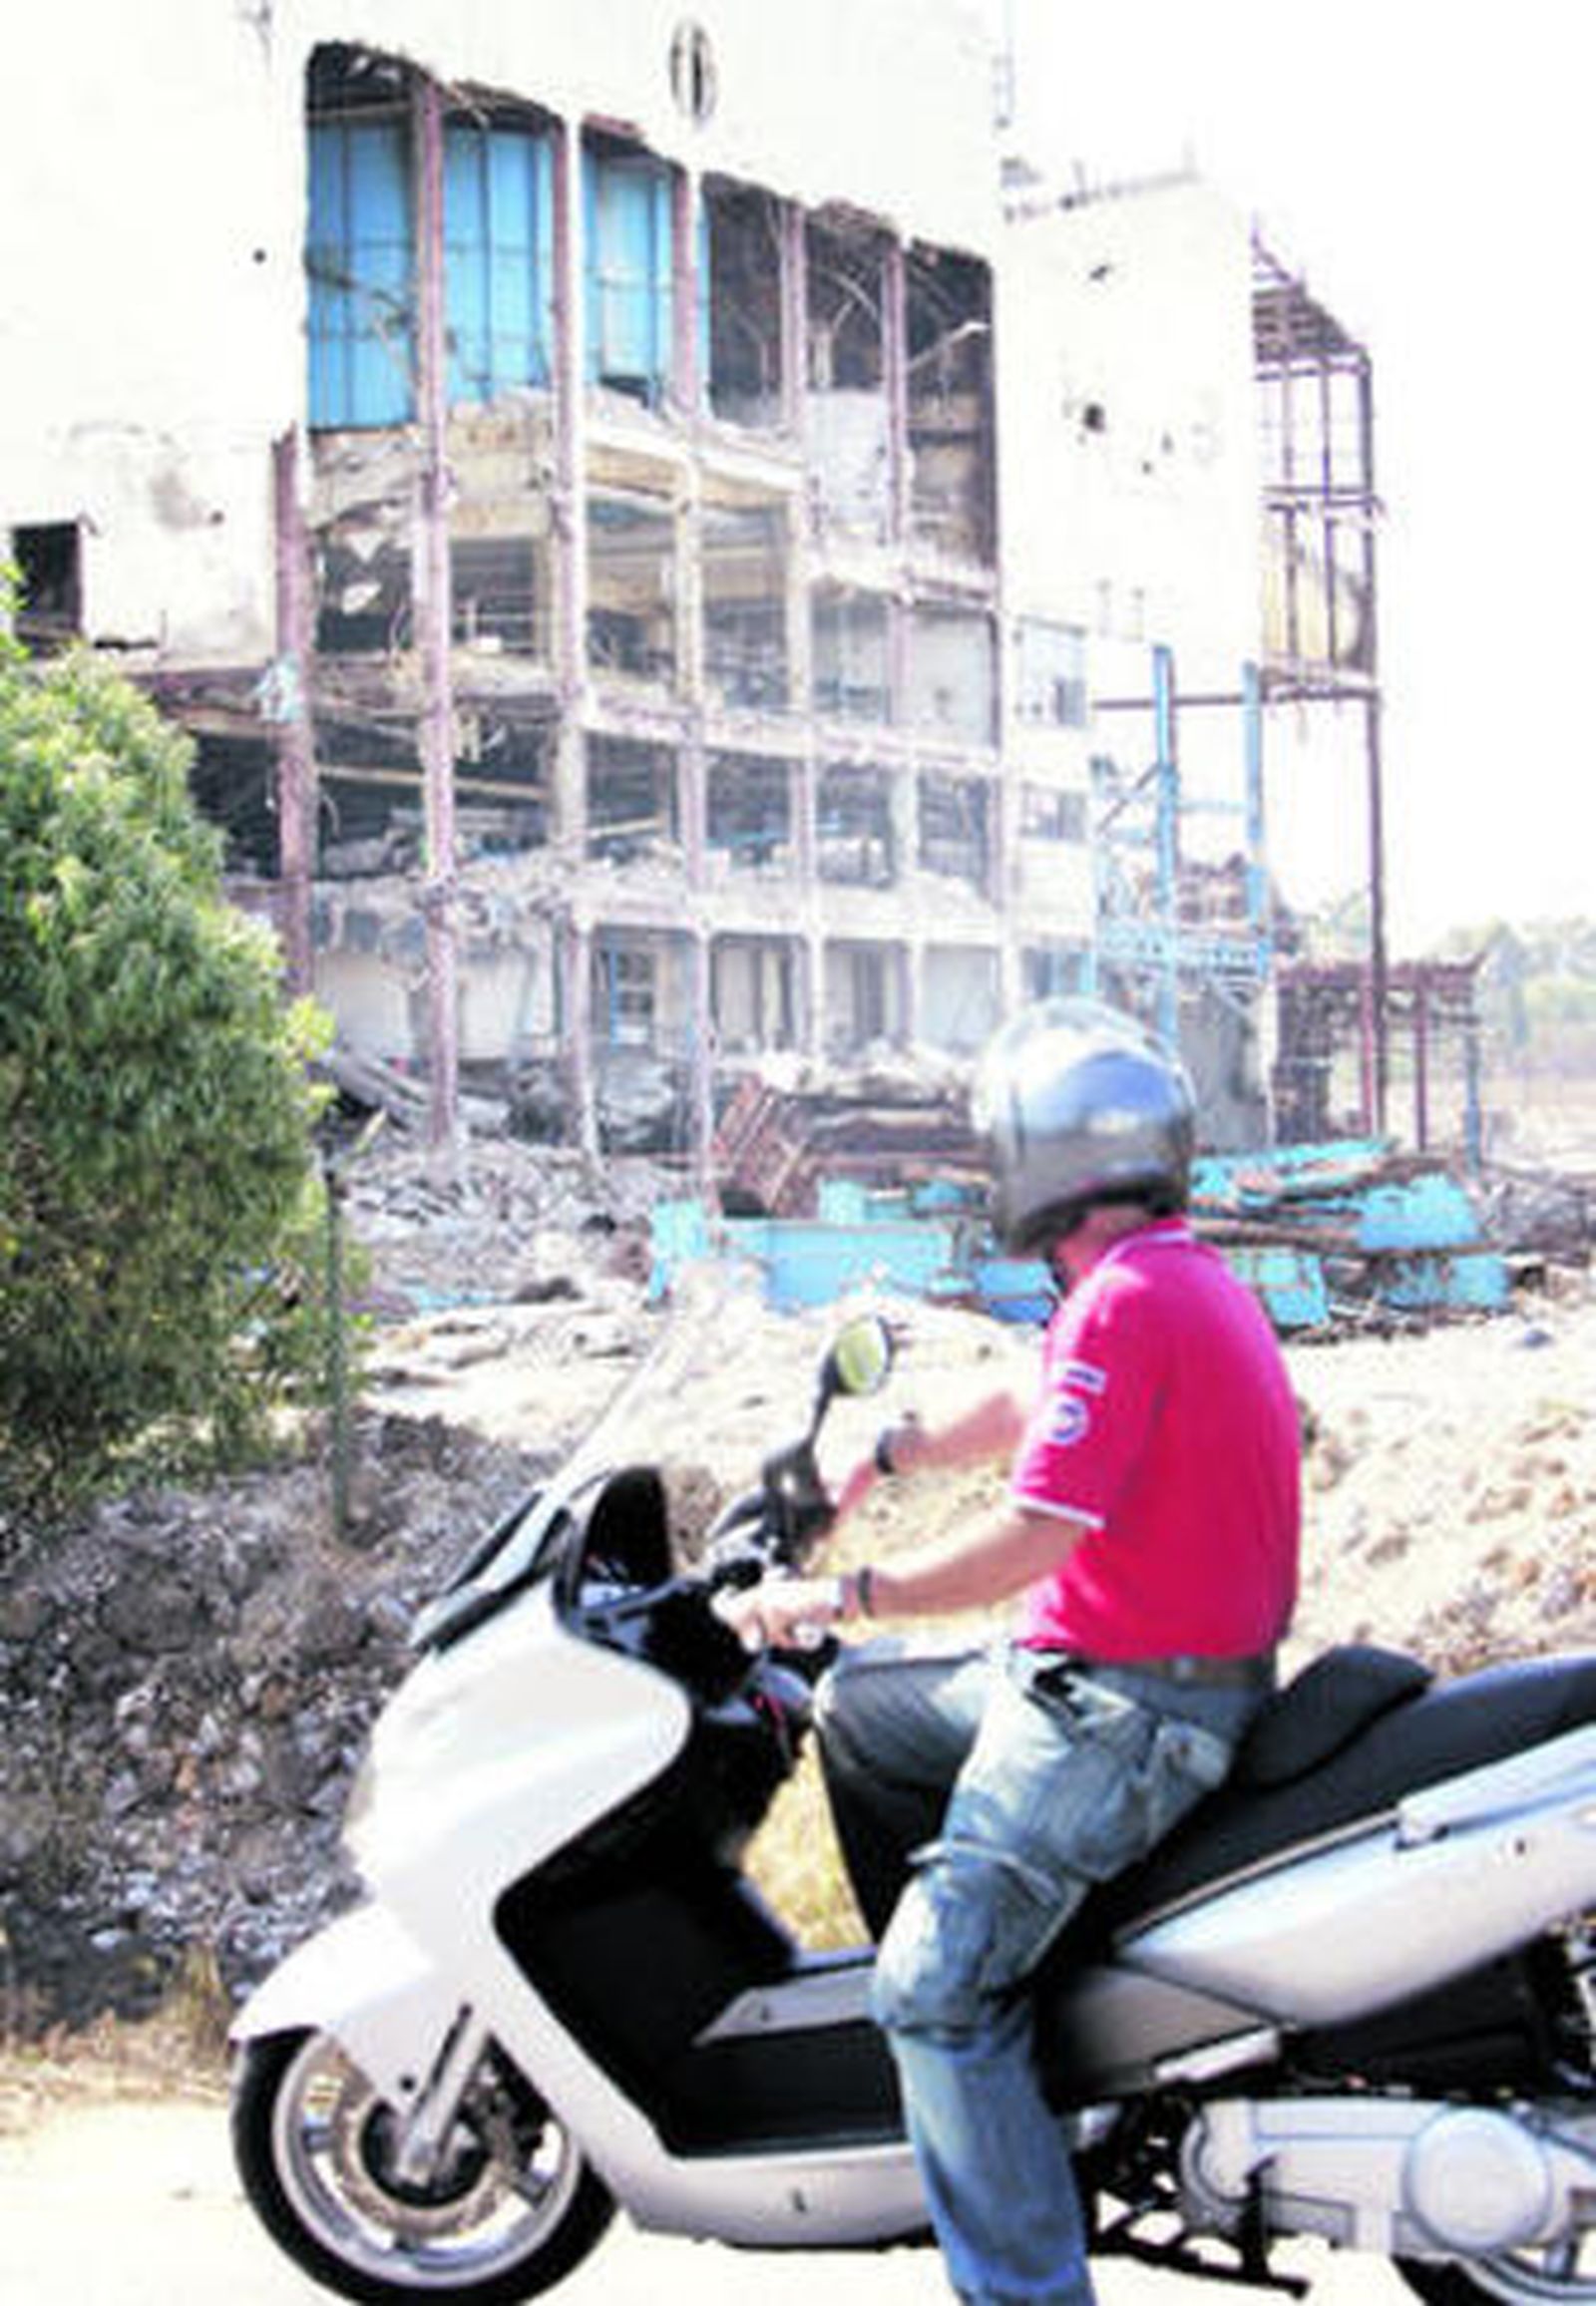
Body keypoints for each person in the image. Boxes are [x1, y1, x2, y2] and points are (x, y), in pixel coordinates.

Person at [723, 996, 1302, 2306]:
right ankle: (995, 2054)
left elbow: (1036, 1538)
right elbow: (1032, 1400)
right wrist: (880, 1450)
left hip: (1124, 1710)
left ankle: (1020, 2261)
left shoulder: (1127, 1305)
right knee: (865, 1718)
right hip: (1113, 1678)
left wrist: (848, 1594)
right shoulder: (1159, 1282)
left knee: (929, 1988)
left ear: (1044, 1160)